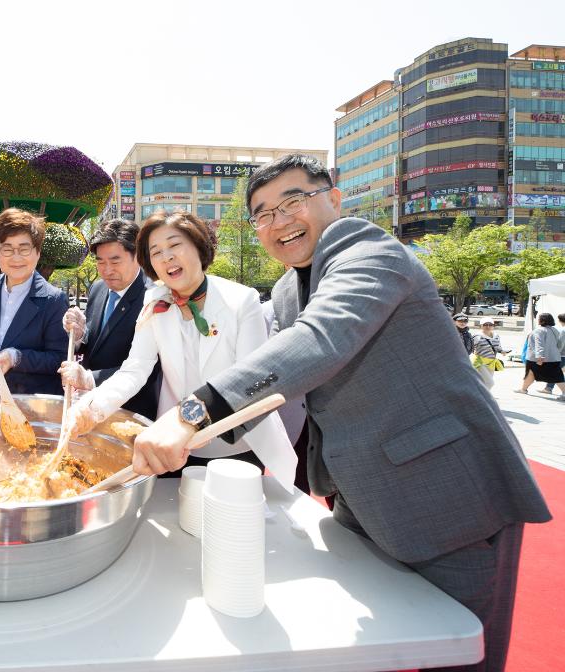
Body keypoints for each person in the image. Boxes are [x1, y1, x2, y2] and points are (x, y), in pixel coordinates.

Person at [132, 154, 549, 672]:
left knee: (459, 653)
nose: (279, 221)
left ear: (333, 198)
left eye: (293, 202)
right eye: (263, 214)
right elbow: (280, 376)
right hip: (358, 499)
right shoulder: (286, 289)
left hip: (449, 496)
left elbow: (321, 340)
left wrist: (194, 411)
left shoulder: (368, 250)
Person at [61, 211, 292, 481]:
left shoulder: (241, 300)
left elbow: (250, 379)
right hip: (171, 443)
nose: (166, 257)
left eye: (175, 245)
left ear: (198, 245)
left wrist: (193, 420)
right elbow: (135, 369)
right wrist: (91, 409)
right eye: (156, 251)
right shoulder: (155, 302)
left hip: (235, 441)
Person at [60, 218, 160, 421]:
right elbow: (96, 342)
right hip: (91, 406)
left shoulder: (155, 298)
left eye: (115, 261)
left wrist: (90, 379)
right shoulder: (98, 288)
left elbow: (152, 368)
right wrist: (79, 335)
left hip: (131, 411)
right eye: (100, 261)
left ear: (138, 257)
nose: (106, 270)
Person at [0, 208, 69, 395]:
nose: (16, 257)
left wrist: (16, 357)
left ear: (37, 252)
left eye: (24, 249)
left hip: (30, 403)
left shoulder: (54, 299)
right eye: (7, 249)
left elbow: (59, 359)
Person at [517, 312, 564, 398]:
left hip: (537, 359)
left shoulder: (539, 330)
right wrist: (555, 352)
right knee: (556, 376)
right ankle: (523, 389)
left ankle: (523, 389)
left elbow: (539, 344)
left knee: (530, 373)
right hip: (554, 358)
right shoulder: (555, 330)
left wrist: (539, 356)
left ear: (541, 320)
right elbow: (560, 345)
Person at [471, 318, 507, 390]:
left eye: (490, 325)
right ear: (481, 326)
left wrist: (502, 351)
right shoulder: (477, 336)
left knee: (484, 382)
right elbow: (470, 348)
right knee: (490, 383)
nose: (488, 326)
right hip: (480, 362)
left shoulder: (496, 336)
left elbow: (497, 347)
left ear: (493, 326)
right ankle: (482, 398)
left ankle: (481, 397)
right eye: (485, 325)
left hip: (491, 362)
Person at [540, 312, 565, 394]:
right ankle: (548, 388)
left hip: (562, 355)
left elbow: (560, 344)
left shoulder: (563, 331)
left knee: (555, 372)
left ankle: (549, 388)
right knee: (556, 372)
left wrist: (555, 353)